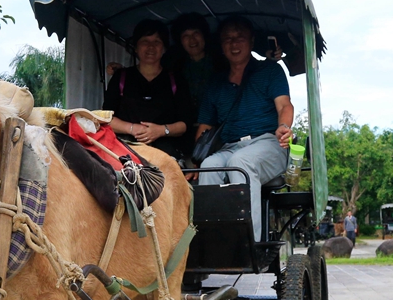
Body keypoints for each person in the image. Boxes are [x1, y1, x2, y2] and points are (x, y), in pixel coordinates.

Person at [195, 17, 293, 241]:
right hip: (230, 147)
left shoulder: (270, 70)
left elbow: (284, 105)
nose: (234, 43)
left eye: (239, 37)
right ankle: (213, 243)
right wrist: (196, 160)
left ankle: (249, 242)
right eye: (227, 39)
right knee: (208, 166)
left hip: (267, 144)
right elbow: (205, 126)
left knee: (240, 162)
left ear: (251, 41)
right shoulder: (216, 83)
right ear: (221, 45)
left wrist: (284, 127)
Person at [103, 19, 193, 159]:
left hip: (166, 152)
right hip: (124, 149)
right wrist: (132, 129)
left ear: (164, 48)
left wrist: (161, 131)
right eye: (145, 41)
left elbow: (185, 123)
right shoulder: (121, 77)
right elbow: (106, 118)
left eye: (157, 42)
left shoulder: (176, 79)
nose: (151, 47)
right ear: (136, 47)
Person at [170, 12, 214, 114]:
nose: (192, 39)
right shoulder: (175, 67)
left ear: (204, 35)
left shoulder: (219, 62)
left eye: (196, 33)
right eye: (186, 35)